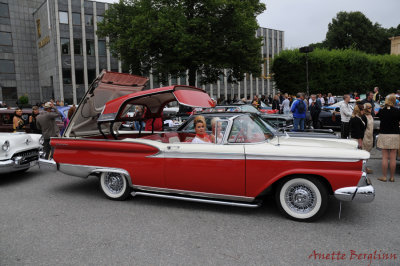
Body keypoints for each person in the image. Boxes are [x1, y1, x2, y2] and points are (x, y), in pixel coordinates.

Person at [376, 94, 400, 182]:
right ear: (394, 101)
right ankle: (392, 177)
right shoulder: (397, 111)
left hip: (384, 134)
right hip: (395, 135)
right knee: (393, 157)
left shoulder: (382, 110)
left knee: (385, 157)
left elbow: (378, 116)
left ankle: (384, 176)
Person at [362, 103, 374, 174]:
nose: (371, 109)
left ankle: (365, 167)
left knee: (368, 151)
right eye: (369, 107)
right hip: (365, 135)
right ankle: (364, 168)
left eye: (371, 107)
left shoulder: (371, 115)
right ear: (366, 108)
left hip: (370, 135)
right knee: (364, 151)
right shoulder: (363, 116)